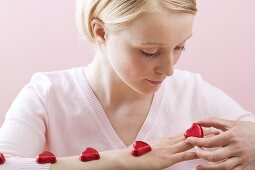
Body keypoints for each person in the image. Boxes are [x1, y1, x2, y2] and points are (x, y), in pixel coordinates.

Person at [0, 0, 254, 169]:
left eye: (180, 47)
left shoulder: (194, 92)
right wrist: (126, 161)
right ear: (101, 32)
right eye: (150, 51)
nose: (169, 69)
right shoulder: (47, 96)